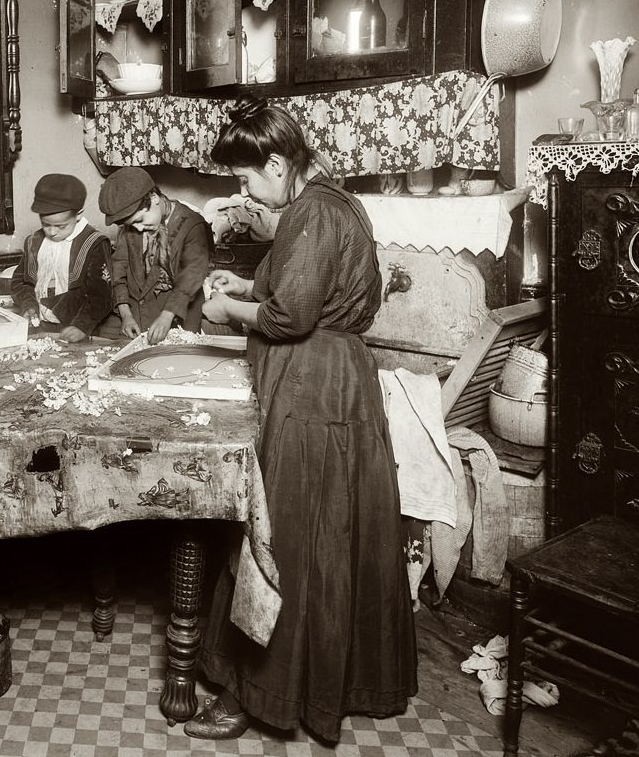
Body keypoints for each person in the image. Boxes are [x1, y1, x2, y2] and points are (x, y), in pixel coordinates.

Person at [188, 94, 416, 742]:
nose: (245, 191)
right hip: (344, 386)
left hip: (310, 389)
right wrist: (243, 289)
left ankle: (254, 692)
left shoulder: (312, 211)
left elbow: (292, 317)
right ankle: (325, 686)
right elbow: (305, 290)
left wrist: (227, 312)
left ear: (280, 161)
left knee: (276, 538)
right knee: (328, 542)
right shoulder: (338, 202)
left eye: (246, 177)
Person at [98, 166, 212, 344]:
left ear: (153, 197)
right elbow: (118, 270)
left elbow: (191, 277)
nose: (139, 229)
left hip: (176, 317)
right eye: (131, 225)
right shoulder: (130, 228)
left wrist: (166, 317)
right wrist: (126, 314)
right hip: (136, 316)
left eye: (140, 220)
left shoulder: (192, 225)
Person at [11, 173, 114, 342]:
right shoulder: (33, 242)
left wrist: (82, 326)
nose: (52, 232)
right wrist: (28, 305)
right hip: (40, 325)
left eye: (61, 226)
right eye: (46, 225)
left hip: (78, 327)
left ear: (78, 214)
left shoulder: (93, 243)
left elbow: (101, 296)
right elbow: (20, 282)